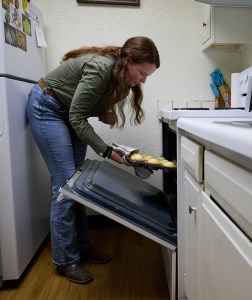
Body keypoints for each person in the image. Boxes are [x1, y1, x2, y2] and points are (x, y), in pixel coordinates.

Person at [26, 36, 160, 284]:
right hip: (47, 106)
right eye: (142, 73)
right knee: (66, 185)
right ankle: (66, 259)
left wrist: (102, 112)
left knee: (77, 183)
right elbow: (77, 116)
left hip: (68, 112)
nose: (143, 80)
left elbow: (84, 105)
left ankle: (82, 246)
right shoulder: (101, 68)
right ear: (128, 61)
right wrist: (107, 151)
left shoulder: (124, 79)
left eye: (147, 76)